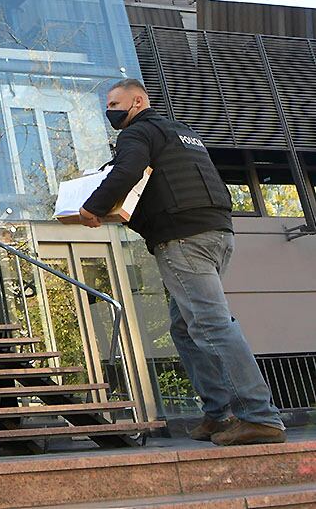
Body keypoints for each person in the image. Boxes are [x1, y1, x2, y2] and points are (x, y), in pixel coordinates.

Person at [79, 78, 285, 446]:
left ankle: (259, 416)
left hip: (183, 239)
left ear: (137, 101)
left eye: (113, 104)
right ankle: (218, 412)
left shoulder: (137, 133)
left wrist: (91, 207)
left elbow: (125, 173)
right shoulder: (181, 131)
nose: (109, 111)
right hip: (218, 234)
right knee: (185, 327)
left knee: (211, 326)